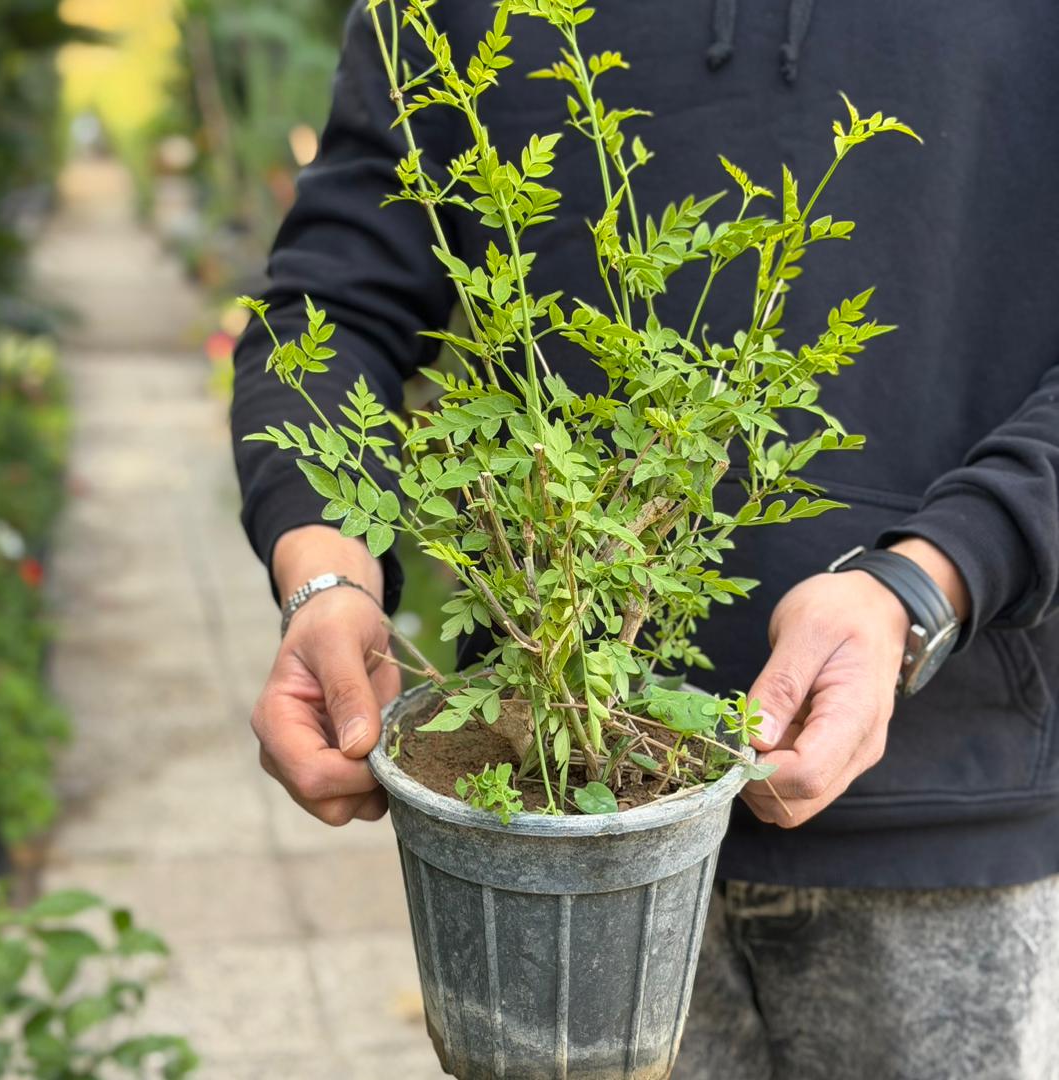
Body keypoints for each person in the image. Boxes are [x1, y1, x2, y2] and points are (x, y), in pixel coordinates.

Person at [232, 3, 1059, 1077]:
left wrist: (928, 582)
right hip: (539, 816)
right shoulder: (421, 21)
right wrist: (324, 571)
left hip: (953, 812)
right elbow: (324, 307)